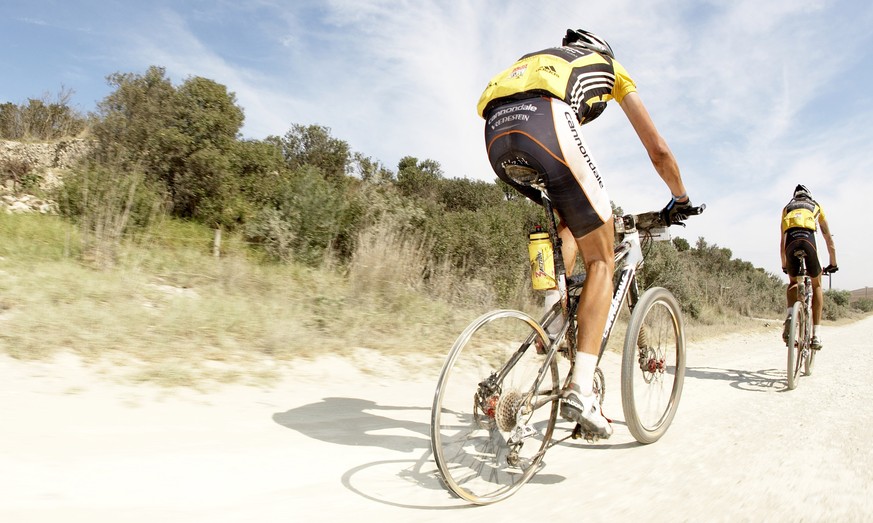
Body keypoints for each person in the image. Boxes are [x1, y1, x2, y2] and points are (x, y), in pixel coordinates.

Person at [477, 29, 695, 438]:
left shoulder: (542, 60)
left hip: (495, 134)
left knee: (568, 220)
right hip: (545, 121)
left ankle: (553, 314)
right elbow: (658, 150)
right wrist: (679, 197)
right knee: (603, 257)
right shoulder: (610, 68)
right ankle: (581, 388)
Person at [780, 184, 838, 349]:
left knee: (792, 283)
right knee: (817, 284)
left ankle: (791, 316)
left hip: (790, 245)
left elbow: (782, 242)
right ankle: (816, 335)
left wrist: (784, 265)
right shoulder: (816, 207)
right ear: (809, 196)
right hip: (809, 243)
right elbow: (828, 240)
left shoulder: (787, 209)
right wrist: (833, 263)